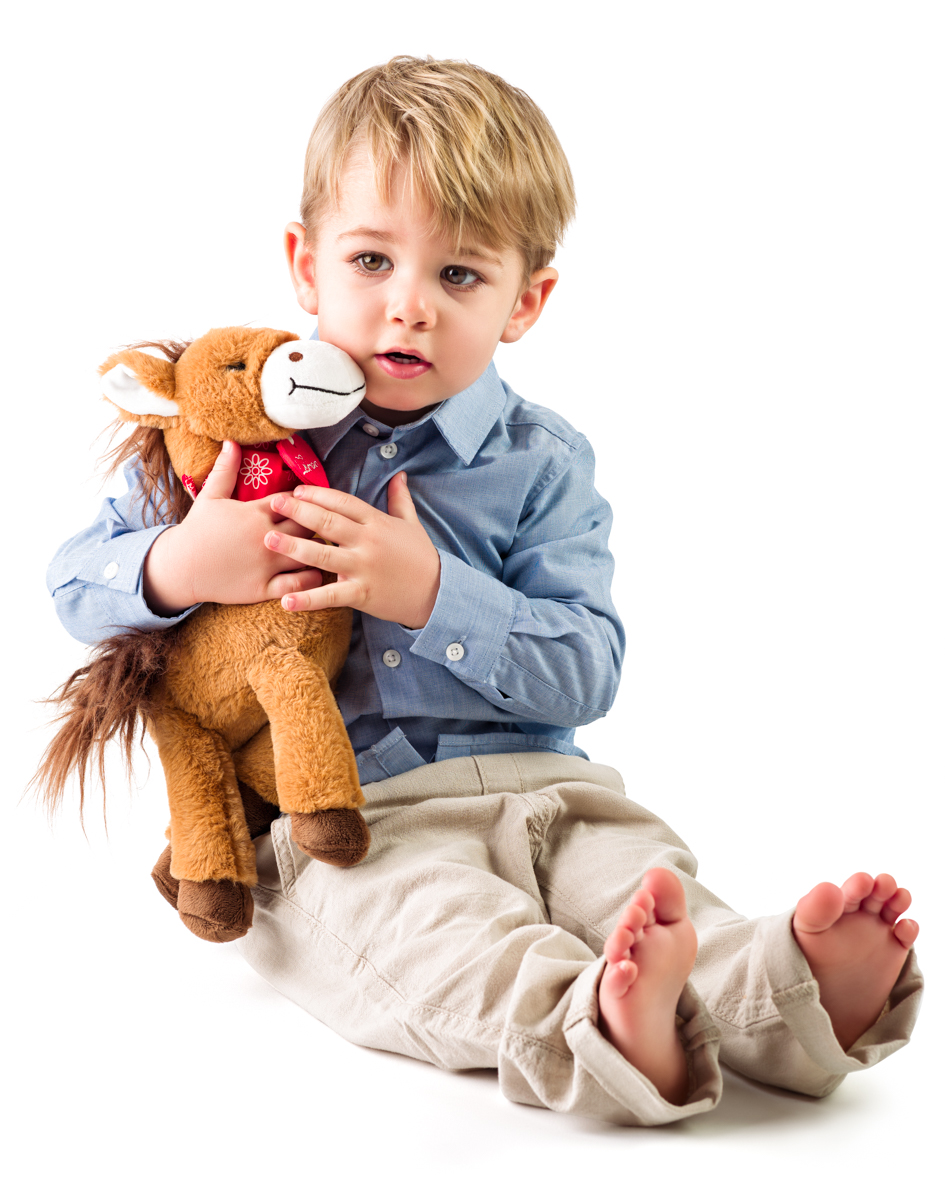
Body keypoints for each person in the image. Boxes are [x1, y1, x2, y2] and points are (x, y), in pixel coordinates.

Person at [47, 56, 921, 1125]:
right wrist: (181, 563)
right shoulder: (230, 436)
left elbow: (588, 668)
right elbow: (73, 582)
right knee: (443, 938)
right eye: (372, 260)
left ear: (526, 301)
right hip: (357, 823)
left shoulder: (542, 462)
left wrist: (431, 593)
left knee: (641, 884)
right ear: (307, 267)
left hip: (548, 787)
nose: (409, 307)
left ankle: (787, 990)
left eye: (459, 274)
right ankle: (603, 1025)